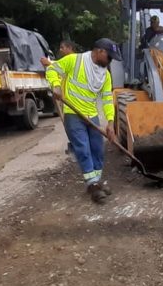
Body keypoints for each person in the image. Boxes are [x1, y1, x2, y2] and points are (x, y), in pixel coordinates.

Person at [46, 38, 121, 203]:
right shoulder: (74, 60)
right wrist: (56, 85)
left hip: (91, 114)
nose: (110, 61)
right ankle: (92, 184)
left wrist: (110, 122)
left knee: (98, 150)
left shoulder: (105, 75)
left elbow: (107, 99)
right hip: (73, 114)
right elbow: (52, 69)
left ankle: (96, 181)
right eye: (109, 57)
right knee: (83, 150)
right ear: (100, 51)